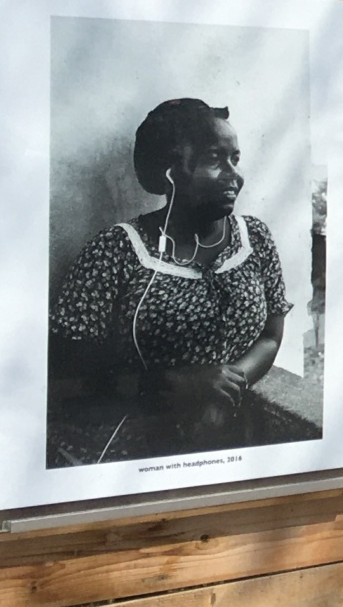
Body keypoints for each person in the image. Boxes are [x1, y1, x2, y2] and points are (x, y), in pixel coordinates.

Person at [46, 98, 313, 467]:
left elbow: (270, 335)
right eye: (214, 159)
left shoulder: (255, 238)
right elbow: (67, 374)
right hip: (135, 442)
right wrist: (180, 385)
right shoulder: (117, 251)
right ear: (170, 170)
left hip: (236, 431)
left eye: (235, 158)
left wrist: (225, 389)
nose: (234, 175)